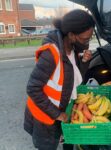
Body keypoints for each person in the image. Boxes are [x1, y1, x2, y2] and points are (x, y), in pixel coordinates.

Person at [24, 9, 95, 150]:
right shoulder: (51, 54)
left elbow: (72, 79)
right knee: (48, 146)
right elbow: (32, 88)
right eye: (85, 39)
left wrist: (84, 62)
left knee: (67, 142)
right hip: (45, 117)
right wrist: (57, 114)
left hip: (64, 109)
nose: (87, 42)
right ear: (71, 35)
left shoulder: (72, 49)